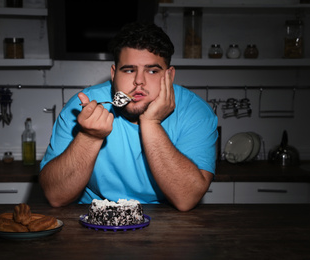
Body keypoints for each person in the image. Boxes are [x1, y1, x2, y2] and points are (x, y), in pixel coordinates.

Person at [39, 22, 218, 211]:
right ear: (114, 74)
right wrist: (89, 136)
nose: (139, 81)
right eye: (129, 70)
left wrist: (151, 122)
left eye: (152, 70)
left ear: (169, 76)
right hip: (93, 216)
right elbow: (55, 196)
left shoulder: (196, 112)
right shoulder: (83, 106)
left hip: (166, 219)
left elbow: (186, 198)